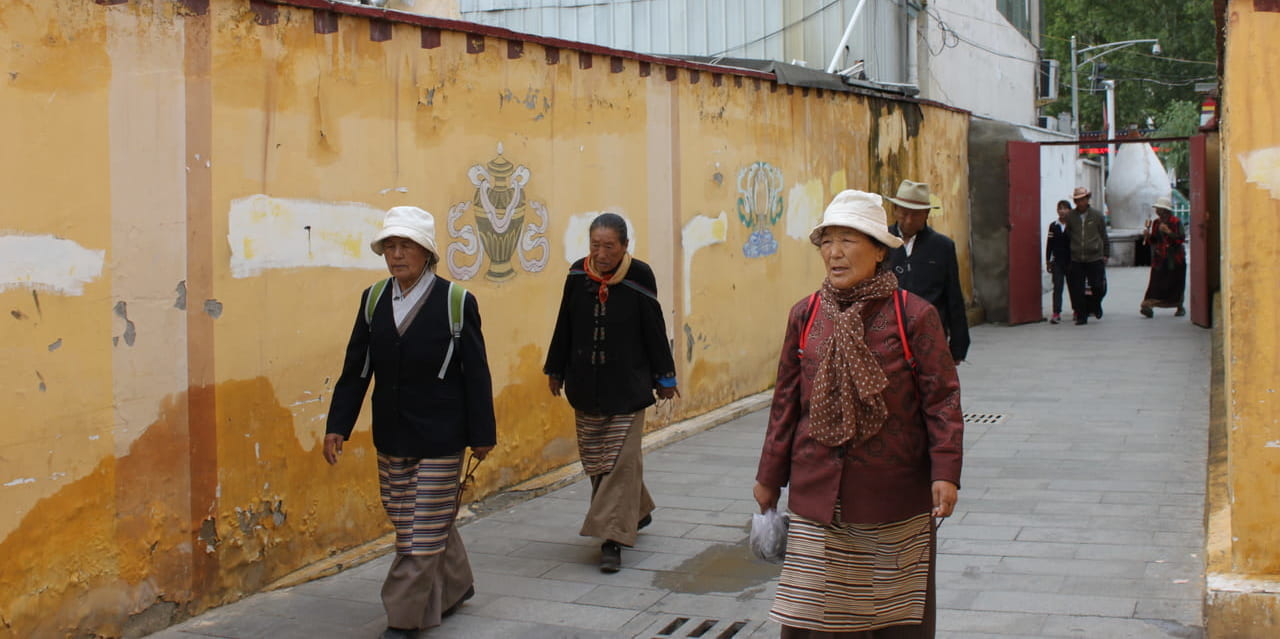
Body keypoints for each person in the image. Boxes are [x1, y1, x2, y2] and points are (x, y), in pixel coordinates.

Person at [755, 190, 963, 638]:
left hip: (892, 499)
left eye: (848, 240)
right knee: (815, 618)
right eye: (827, 241)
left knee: (891, 617)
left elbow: (942, 399)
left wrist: (945, 471)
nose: (834, 253)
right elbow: (786, 404)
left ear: (878, 251)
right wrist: (769, 477)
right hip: (818, 496)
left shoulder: (914, 317)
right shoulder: (806, 315)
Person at [324, 206, 497, 639]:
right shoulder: (374, 300)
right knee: (413, 518)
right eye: (390, 246)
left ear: (426, 253)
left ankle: (403, 619)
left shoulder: (456, 302)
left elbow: (476, 372)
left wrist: (482, 434)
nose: (396, 255)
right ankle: (457, 584)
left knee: (418, 533)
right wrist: (338, 425)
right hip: (392, 433)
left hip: (442, 435)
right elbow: (356, 368)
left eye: (406, 246)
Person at [544, 213, 679, 573]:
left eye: (609, 247)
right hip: (586, 387)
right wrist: (555, 369)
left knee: (619, 464)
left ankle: (612, 540)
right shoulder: (577, 275)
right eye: (595, 246)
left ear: (624, 246)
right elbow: (564, 323)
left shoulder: (639, 276)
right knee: (598, 463)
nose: (601, 254)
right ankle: (638, 510)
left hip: (629, 388)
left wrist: (665, 377)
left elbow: (654, 327)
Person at [886, 179, 969, 363]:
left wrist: (958, 346)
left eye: (915, 215)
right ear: (895, 210)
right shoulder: (880, 243)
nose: (908, 220)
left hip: (930, 336)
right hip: (889, 336)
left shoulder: (942, 247)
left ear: (927, 214)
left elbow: (953, 296)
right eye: (904, 213)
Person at [1065, 186, 1110, 325]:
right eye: (1077, 200)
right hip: (1077, 257)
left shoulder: (1097, 216)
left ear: (1087, 199)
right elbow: (1068, 235)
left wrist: (1106, 253)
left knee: (1097, 286)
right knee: (1077, 288)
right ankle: (1081, 315)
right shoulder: (1070, 217)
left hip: (1094, 256)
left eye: (1082, 199)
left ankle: (1095, 304)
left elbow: (1103, 235)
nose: (1079, 203)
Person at [1140, 196, 1187, 318]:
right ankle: (1148, 305)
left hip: (1175, 259)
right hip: (1160, 258)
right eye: (1157, 209)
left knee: (1176, 283)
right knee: (1155, 283)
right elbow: (1155, 240)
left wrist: (1169, 232)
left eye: (1160, 209)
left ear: (1166, 211)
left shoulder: (1176, 222)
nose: (1158, 212)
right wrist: (1147, 236)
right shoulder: (1156, 223)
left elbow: (1181, 238)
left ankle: (1178, 305)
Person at [1045, 200, 1072, 324]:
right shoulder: (1053, 226)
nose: (1062, 211)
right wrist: (1048, 261)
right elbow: (1049, 245)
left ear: (1069, 210)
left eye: (1065, 208)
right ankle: (1056, 312)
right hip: (1057, 261)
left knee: (1074, 287)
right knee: (1058, 287)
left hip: (1071, 260)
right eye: (1060, 208)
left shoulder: (1073, 225)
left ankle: (1077, 310)